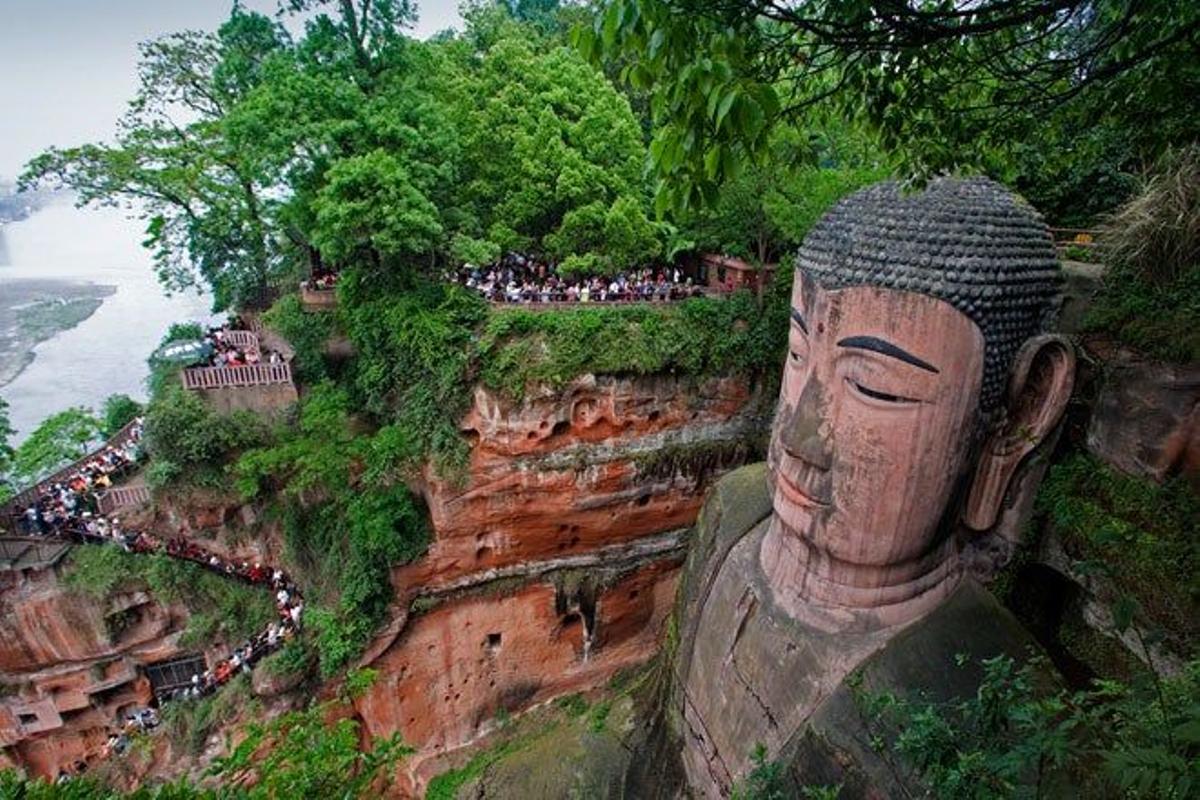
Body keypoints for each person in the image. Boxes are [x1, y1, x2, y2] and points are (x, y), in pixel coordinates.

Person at [669, 178, 1073, 797]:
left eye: (875, 388)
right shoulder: (733, 512)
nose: (800, 439)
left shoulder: (991, 710)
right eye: (797, 355)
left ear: (1018, 418)